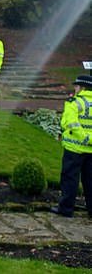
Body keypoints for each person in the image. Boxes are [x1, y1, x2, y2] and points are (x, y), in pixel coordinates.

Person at [50, 75, 92, 218]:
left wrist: (86, 138)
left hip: (74, 148)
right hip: (91, 150)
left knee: (70, 178)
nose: (75, 88)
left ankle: (66, 208)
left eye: (77, 86)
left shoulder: (74, 103)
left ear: (82, 87)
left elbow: (70, 123)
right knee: (90, 180)